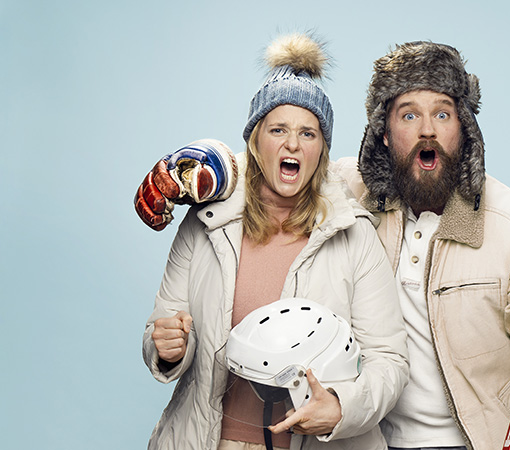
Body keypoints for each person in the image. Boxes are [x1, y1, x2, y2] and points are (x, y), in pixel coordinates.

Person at [136, 40, 510, 450]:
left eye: (443, 113)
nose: (427, 130)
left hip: (473, 439)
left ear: (464, 129)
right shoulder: (348, 194)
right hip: (375, 438)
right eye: (408, 115)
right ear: (384, 132)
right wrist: (208, 164)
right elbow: (275, 161)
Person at [139, 33, 408, 450]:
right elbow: (164, 326)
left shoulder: (355, 236)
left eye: (308, 133)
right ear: (255, 141)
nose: (292, 144)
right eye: (278, 128)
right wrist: (168, 347)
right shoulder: (206, 224)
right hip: (205, 441)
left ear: (321, 149)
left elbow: (388, 362)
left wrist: (339, 406)